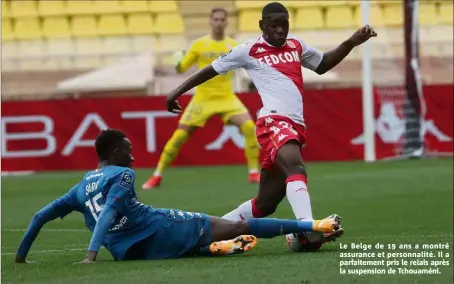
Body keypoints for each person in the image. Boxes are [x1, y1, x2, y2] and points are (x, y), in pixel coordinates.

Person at [163, 2, 377, 248]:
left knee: (265, 204)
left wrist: (351, 42)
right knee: (295, 166)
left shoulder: (296, 46)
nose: (279, 30)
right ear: (262, 26)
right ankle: (308, 228)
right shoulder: (248, 50)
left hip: (295, 125)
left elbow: (323, 64)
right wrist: (176, 92)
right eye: (273, 25)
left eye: (283, 25)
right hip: (273, 122)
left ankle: (210, 231)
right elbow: (211, 70)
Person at [15, 129, 341, 263]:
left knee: (200, 241)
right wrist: (90, 255)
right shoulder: (123, 174)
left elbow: (38, 216)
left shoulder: (79, 186)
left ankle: (217, 248)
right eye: (128, 151)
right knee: (244, 225)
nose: (132, 157)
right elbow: (111, 211)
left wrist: (21, 258)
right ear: (115, 152)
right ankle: (314, 225)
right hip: (158, 228)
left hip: (129, 251)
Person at [142, 7, 260, 189]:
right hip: (202, 98)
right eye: (216, 19)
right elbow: (181, 68)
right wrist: (177, 60)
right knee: (179, 136)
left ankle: (254, 173)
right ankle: (157, 175)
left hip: (227, 97)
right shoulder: (199, 45)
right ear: (211, 22)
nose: (219, 23)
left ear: (226, 22)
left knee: (250, 127)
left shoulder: (233, 45)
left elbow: (248, 64)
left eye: (222, 20)